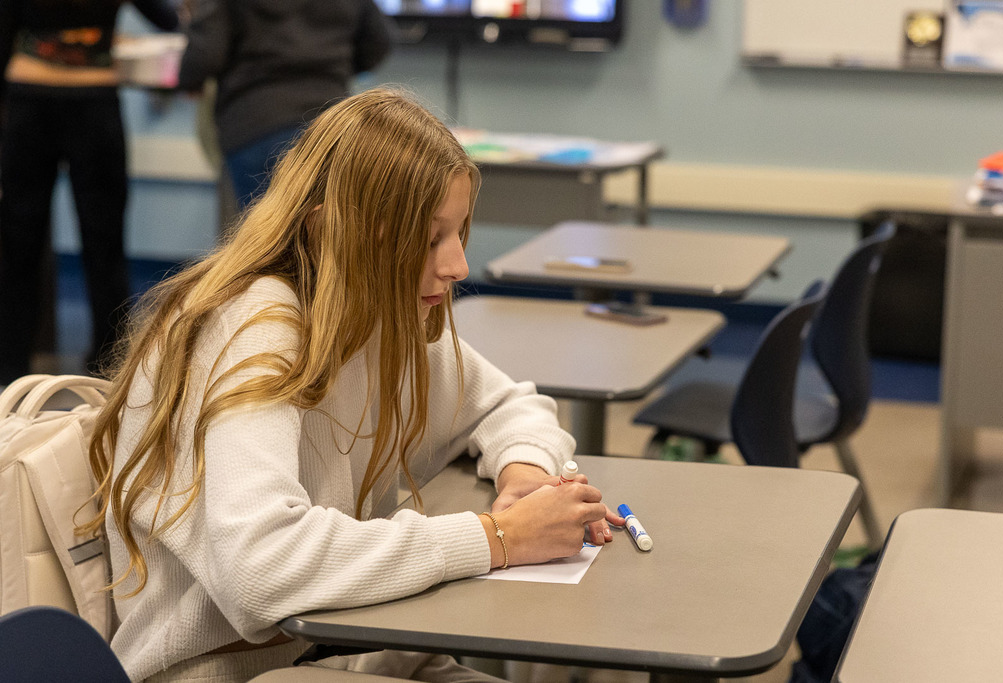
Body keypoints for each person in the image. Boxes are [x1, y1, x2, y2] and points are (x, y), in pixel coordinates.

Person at [78, 87, 625, 683]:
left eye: (459, 233)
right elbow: (261, 568)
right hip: (235, 670)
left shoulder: (377, 315)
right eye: (430, 236)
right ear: (335, 230)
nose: (457, 266)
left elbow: (508, 404)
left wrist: (526, 476)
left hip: (345, 644)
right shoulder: (255, 328)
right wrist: (497, 536)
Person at [0, 0, 180, 385]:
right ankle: (109, 361)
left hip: (29, 99)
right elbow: (167, 18)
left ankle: (12, 362)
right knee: (105, 243)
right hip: (94, 101)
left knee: (19, 243)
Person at [176, 0, 393, 209]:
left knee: (261, 239)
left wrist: (189, 81)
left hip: (255, 123)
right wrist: (334, 72)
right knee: (324, 236)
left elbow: (205, 52)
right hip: (328, 126)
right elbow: (380, 41)